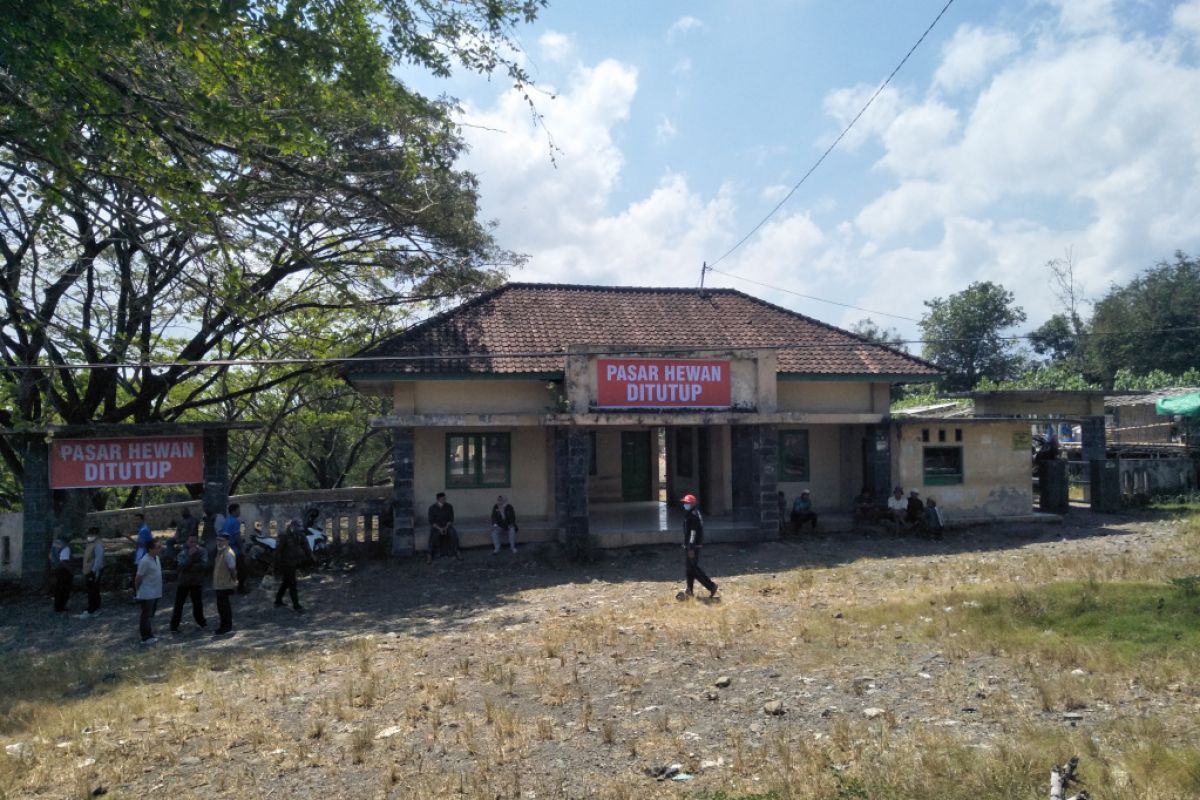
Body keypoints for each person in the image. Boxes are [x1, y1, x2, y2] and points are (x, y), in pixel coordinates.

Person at [680, 493, 719, 599]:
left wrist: (691, 547)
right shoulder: (691, 513)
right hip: (690, 545)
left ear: (693, 503)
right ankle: (689, 590)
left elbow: (693, 533)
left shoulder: (693, 515)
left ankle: (711, 586)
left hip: (693, 546)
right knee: (689, 569)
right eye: (685, 502)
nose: (685, 504)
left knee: (694, 569)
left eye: (687, 503)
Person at [169, 534, 208, 633]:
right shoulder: (182, 552)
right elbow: (180, 568)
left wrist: (188, 565)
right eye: (191, 542)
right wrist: (191, 558)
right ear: (187, 542)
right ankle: (174, 626)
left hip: (196, 582)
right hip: (183, 582)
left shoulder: (203, 551)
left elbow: (203, 567)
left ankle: (201, 622)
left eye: (194, 542)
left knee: (197, 604)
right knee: (179, 604)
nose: (192, 544)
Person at [274, 518, 312, 611]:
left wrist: (312, 557)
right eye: (297, 527)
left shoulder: (300, 536)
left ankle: (278, 600)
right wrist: (275, 563)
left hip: (294, 562)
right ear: (292, 527)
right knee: (292, 584)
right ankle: (296, 605)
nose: (299, 529)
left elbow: (306, 548)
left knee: (286, 582)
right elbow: (278, 550)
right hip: (286, 563)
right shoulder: (284, 536)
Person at [134, 538, 164, 644]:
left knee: (150, 615)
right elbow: (138, 578)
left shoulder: (156, 558)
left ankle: (150, 634)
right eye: (158, 547)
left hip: (155, 592)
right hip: (147, 593)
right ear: (150, 549)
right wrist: (137, 590)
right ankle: (145, 638)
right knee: (145, 616)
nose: (160, 549)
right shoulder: (145, 561)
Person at [212, 533, 237, 636]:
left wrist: (234, 581)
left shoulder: (228, 553)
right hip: (219, 584)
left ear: (227, 541)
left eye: (221, 540)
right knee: (222, 607)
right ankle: (224, 626)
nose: (219, 542)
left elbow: (232, 569)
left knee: (224, 607)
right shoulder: (220, 552)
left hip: (224, 585)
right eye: (218, 540)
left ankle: (226, 627)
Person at [427, 492, 460, 563]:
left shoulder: (449, 506)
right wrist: (439, 529)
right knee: (432, 536)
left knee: (453, 534)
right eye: (442, 499)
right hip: (437, 527)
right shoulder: (432, 508)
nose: (444, 500)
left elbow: (451, 519)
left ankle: (456, 551)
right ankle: (429, 554)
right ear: (438, 499)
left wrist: (446, 527)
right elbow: (431, 521)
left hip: (446, 526)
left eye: (445, 498)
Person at [221, 503, 247, 593]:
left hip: (226, 547)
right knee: (242, 569)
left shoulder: (227, 521)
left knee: (230, 569)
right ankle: (240, 587)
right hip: (235, 549)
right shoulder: (235, 521)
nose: (239, 512)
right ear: (234, 511)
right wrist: (242, 548)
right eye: (238, 510)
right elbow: (237, 537)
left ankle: (230, 588)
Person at [79, 526, 104, 618]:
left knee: (93, 590)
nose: (90, 535)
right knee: (92, 589)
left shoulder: (98, 544)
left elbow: (99, 559)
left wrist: (94, 571)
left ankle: (92, 608)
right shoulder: (90, 543)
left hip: (93, 570)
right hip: (88, 569)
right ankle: (95, 607)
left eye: (92, 533)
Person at [49, 536, 73, 613]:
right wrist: (71, 570)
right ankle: (62, 606)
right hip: (63, 570)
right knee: (64, 589)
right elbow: (64, 560)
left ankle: (57, 606)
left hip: (56, 568)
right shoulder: (65, 547)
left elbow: (50, 555)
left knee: (58, 589)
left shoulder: (55, 543)